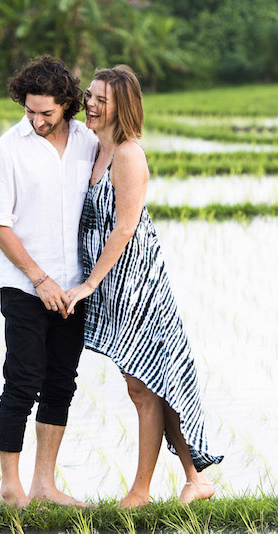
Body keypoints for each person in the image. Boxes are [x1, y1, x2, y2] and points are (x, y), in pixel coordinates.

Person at [65, 65, 222, 506]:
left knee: (143, 384)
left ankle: (140, 491)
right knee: (156, 378)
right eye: (89, 96)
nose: (90, 104)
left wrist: (88, 285)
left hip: (134, 277)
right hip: (109, 280)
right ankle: (196, 480)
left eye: (101, 99)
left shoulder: (128, 155)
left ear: (123, 107)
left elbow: (125, 228)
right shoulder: (95, 146)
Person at [0, 56, 99, 508]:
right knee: (23, 380)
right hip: (24, 283)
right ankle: (10, 486)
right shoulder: (9, 148)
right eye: (30, 111)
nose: (37, 121)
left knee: (60, 382)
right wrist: (39, 279)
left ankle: (44, 485)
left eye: (46, 113)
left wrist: (75, 283)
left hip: (73, 286)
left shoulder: (88, 142)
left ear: (67, 104)